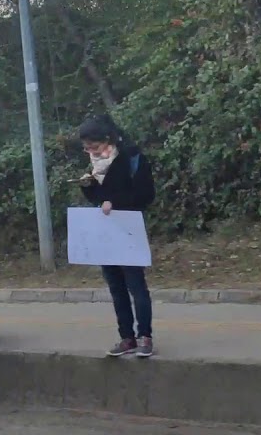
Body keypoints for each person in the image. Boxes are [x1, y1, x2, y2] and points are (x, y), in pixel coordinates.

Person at [77, 114, 157, 358]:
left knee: (136, 286)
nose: (92, 152)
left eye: (95, 147)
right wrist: (89, 187)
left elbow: (146, 195)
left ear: (109, 140)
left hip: (128, 230)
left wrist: (116, 202)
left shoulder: (132, 158)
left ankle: (145, 336)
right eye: (87, 149)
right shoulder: (96, 164)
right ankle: (126, 337)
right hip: (106, 233)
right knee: (116, 287)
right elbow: (99, 199)